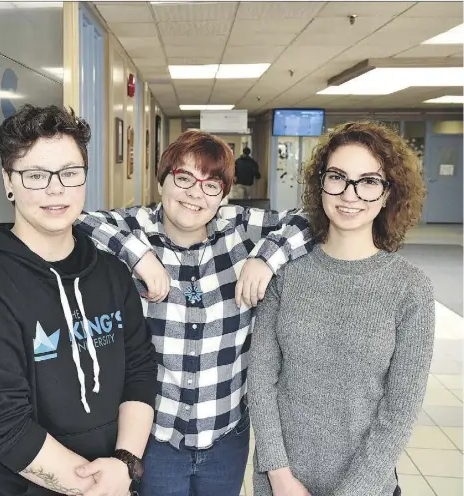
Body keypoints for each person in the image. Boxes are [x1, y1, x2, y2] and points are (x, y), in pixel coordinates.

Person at [74, 130, 314, 496]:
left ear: (223, 194)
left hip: (225, 437)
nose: (195, 193)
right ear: (163, 181)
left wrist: (267, 257)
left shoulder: (239, 229)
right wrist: (137, 254)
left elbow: (312, 219)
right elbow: (77, 220)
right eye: (184, 178)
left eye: (211, 184)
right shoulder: (137, 226)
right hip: (155, 438)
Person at [0, 105, 157, 496]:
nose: (56, 189)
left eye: (69, 173)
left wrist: (125, 463)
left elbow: (140, 371)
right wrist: (101, 487)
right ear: (8, 181)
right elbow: (2, 426)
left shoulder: (112, 273)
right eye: (36, 175)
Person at [248, 121, 435, 496]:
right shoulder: (285, 274)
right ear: (321, 185)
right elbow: (262, 381)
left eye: (368, 181)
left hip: (366, 486)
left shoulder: (410, 288)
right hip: (281, 484)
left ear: (387, 194)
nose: (350, 194)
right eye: (337, 177)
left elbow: (399, 412)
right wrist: (279, 475)